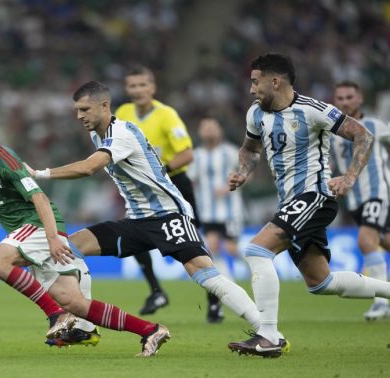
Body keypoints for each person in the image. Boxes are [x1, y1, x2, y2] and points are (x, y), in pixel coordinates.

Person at [27, 81, 267, 348]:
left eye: (84, 109)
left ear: (104, 106)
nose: (79, 116)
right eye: (77, 110)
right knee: (70, 248)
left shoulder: (120, 134)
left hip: (168, 216)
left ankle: (266, 330)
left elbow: (88, 168)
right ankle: (84, 328)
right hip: (137, 221)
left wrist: (39, 173)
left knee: (205, 276)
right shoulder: (98, 135)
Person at [0, 107, 170, 356]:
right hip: (29, 233)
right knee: (77, 304)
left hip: (38, 225)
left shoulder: (6, 161)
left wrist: (53, 239)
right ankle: (150, 330)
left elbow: (39, 198)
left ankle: (56, 316)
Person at [227, 53, 390, 358]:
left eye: (255, 81)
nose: (251, 90)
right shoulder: (255, 114)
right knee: (320, 283)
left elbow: (363, 135)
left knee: (256, 250)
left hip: (314, 197)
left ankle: (269, 335)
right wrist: (243, 173)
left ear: (275, 81)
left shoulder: (313, 110)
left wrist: (350, 177)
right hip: (290, 201)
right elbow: (250, 148)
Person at [115, 65, 201, 316]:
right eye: (133, 85)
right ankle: (156, 291)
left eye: (143, 85)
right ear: (127, 89)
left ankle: (214, 296)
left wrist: (160, 170)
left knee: (193, 241)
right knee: (136, 238)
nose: (138, 90)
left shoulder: (167, 115)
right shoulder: (123, 112)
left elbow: (186, 154)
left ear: (152, 87)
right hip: (141, 189)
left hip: (174, 184)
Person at [329, 81, 390, 321]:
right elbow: (332, 162)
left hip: (377, 192)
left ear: (360, 98)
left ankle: (382, 303)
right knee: (383, 241)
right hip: (352, 199)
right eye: (340, 98)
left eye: (349, 97)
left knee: (366, 242)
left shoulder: (376, 125)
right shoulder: (333, 131)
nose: (345, 102)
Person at [188, 117, 246, 323]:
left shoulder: (230, 152)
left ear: (220, 130)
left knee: (230, 249)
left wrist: (233, 183)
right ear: (200, 132)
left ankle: (256, 266)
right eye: (205, 127)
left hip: (230, 212)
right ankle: (216, 303)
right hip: (206, 213)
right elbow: (190, 181)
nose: (209, 131)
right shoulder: (196, 156)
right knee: (210, 254)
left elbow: (247, 174)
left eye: (213, 126)